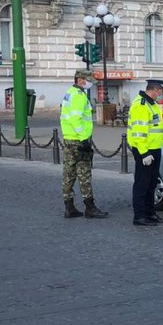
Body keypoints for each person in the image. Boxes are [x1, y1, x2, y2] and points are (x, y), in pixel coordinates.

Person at [59, 69, 108, 219]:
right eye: (88, 80)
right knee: (84, 173)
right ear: (80, 80)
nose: (90, 83)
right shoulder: (79, 96)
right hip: (78, 140)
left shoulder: (69, 93)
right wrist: (83, 139)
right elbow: (75, 119)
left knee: (69, 172)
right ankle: (90, 207)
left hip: (69, 138)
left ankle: (69, 206)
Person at [128, 79, 163, 227]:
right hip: (144, 150)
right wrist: (144, 153)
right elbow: (139, 132)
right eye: (160, 91)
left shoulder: (153, 104)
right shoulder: (141, 105)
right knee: (142, 184)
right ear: (155, 89)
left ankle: (150, 213)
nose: (161, 94)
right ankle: (139, 216)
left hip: (155, 148)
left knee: (151, 184)